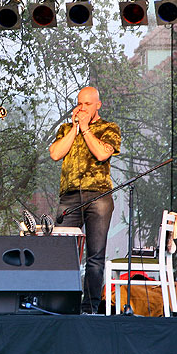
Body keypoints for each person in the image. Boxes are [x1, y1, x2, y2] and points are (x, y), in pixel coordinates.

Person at [49, 86, 120, 314]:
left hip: (99, 196)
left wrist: (87, 130)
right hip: (69, 198)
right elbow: (55, 153)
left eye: (87, 104)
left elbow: (102, 154)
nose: (82, 108)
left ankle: (89, 307)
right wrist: (76, 129)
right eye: (79, 103)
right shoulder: (67, 128)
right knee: (61, 252)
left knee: (95, 255)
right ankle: (62, 304)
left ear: (98, 105)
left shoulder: (109, 128)